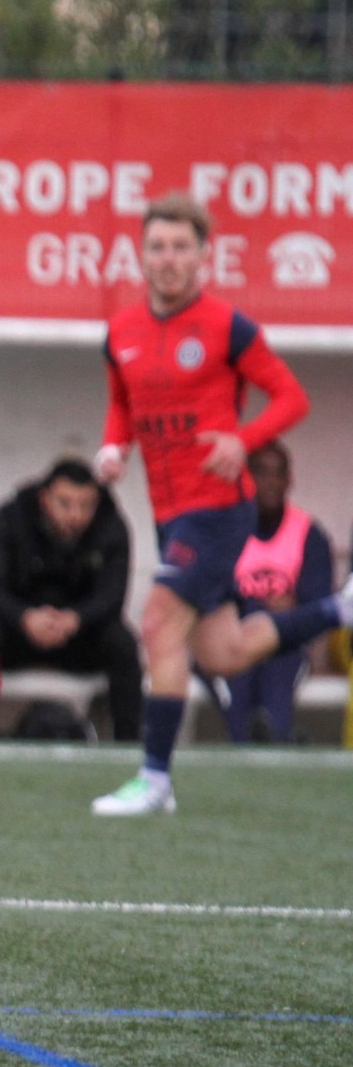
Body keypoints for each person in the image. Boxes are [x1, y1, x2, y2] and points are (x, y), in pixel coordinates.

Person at [92, 191, 348, 814]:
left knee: (156, 623)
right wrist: (111, 447)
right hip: (166, 509)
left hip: (216, 508)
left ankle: (155, 779)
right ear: (141, 254)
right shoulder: (121, 331)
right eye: (157, 246)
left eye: (182, 247)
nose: (168, 258)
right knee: (220, 650)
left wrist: (243, 439)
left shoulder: (227, 327)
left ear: (204, 256)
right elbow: (123, 402)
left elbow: (291, 398)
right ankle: (338, 609)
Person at [0, 456, 142, 740]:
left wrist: (76, 619)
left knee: (122, 643)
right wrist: (24, 618)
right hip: (18, 634)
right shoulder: (9, 519)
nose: (75, 515)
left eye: (85, 505)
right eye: (65, 503)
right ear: (44, 498)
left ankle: (130, 745)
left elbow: (112, 596)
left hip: (79, 636)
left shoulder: (111, 526)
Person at [222, 443, 336, 743]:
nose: (270, 482)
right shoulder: (225, 528)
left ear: (289, 480)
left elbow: (320, 604)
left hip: (287, 643)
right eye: (260, 473)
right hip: (230, 641)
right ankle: (253, 739)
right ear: (245, 478)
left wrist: (290, 608)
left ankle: (271, 732)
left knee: (276, 645)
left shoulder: (309, 532)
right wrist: (253, 605)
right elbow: (209, 593)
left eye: (278, 474)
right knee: (247, 641)